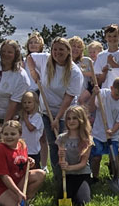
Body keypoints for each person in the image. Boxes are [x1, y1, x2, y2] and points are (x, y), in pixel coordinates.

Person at [27, 37, 83, 181]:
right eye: (55, 49)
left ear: (68, 51)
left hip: (67, 113)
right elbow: (30, 57)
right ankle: (58, 177)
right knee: (53, 144)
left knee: (66, 145)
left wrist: (58, 118)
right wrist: (33, 72)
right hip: (46, 110)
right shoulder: (45, 60)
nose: (57, 52)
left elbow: (68, 97)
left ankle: (71, 175)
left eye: (61, 49)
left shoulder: (74, 72)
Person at [0, 120, 46, 206]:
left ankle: (27, 199)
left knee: (40, 174)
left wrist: (28, 161)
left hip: (16, 181)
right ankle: (0, 199)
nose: (9, 137)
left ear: (19, 134)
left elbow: (17, 160)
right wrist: (18, 192)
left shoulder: (22, 145)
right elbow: (4, 176)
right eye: (6, 134)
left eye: (13, 134)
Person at [89, 77, 119, 181]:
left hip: (113, 135)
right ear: (111, 88)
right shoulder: (102, 94)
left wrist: (112, 131)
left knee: (114, 157)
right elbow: (91, 109)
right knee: (96, 157)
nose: (117, 97)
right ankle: (95, 177)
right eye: (116, 94)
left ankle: (115, 177)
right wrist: (94, 94)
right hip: (98, 133)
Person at [56, 105, 94, 206]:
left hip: (82, 174)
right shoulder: (61, 139)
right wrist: (62, 161)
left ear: (81, 120)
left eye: (74, 118)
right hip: (67, 175)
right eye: (68, 118)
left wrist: (69, 167)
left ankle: (85, 190)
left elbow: (83, 163)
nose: (71, 121)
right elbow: (61, 161)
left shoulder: (87, 139)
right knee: (60, 201)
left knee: (82, 203)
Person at [25, 32, 49, 169]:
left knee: (42, 134)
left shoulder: (44, 59)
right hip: (26, 95)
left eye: (36, 42)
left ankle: (44, 165)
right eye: (31, 42)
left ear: (41, 45)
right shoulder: (24, 60)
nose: (33, 45)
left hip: (39, 94)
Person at [94, 24, 119, 89]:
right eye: (109, 36)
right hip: (106, 91)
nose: (112, 38)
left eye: (115, 36)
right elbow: (98, 81)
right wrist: (104, 72)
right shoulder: (101, 56)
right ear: (105, 37)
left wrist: (112, 63)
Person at [20, 91, 44, 169]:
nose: (27, 104)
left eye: (29, 102)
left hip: (33, 149)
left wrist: (26, 119)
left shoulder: (37, 117)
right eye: (24, 102)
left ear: (35, 103)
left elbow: (31, 128)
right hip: (24, 148)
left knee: (34, 166)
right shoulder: (22, 117)